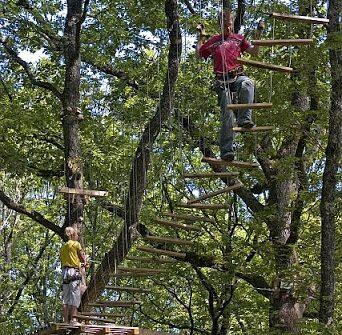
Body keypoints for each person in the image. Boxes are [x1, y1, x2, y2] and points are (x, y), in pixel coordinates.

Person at [197, 10, 264, 161]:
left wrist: (258, 34)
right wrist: (200, 36)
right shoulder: (214, 41)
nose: (228, 28)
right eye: (225, 25)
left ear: (233, 24)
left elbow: (254, 52)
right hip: (222, 81)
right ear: (219, 24)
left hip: (237, 76)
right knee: (227, 113)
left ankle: (244, 119)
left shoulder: (238, 39)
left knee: (248, 83)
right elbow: (199, 54)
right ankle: (226, 150)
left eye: (230, 24)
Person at [60, 226, 87, 325]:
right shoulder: (76, 244)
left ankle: (66, 321)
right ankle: (73, 320)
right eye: (76, 235)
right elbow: (82, 258)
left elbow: (67, 259)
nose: (77, 237)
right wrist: (85, 263)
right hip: (73, 271)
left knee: (66, 298)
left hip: (64, 273)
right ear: (73, 235)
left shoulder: (63, 248)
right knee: (75, 296)